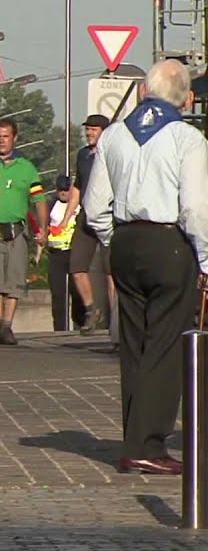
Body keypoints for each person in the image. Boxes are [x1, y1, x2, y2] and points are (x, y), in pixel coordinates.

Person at [84, 59, 208, 476]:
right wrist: (206, 258)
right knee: (166, 344)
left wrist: (111, 238)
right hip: (168, 241)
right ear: (188, 99)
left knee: (134, 344)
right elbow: (195, 208)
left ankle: (134, 438)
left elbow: (93, 205)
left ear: (141, 94)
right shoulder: (187, 138)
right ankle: (148, 443)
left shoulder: (114, 136)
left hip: (124, 240)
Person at [0, 118, 49, 345]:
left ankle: (8, 325)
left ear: (15, 138)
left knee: (15, 278)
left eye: (6, 136)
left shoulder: (26, 167)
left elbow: (39, 199)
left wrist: (43, 227)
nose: (2, 141)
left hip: (18, 230)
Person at [59, 114, 115, 334]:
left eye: (93, 130)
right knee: (77, 266)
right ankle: (92, 310)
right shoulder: (83, 156)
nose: (89, 133)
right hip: (86, 215)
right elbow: (78, 188)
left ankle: (115, 318)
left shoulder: (111, 154)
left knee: (111, 271)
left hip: (108, 216)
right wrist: (66, 217)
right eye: (87, 130)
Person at [45, 175, 79, 332]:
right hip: (56, 253)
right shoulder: (52, 205)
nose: (63, 193)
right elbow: (44, 228)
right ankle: (59, 328)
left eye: (66, 189)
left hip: (74, 252)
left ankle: (79, 325)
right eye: (60, 190)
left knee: (77, 292)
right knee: (58, 294)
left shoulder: (78, 206)